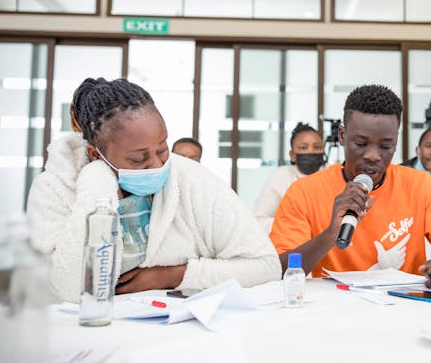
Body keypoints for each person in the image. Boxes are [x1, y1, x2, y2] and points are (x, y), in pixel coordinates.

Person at [27, 78, 281, 302]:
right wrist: (97, 188)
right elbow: (63, 290)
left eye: (162, 149)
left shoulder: (190, 178)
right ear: (96, 154)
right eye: (138, 159)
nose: (157, 165)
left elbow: (265, 265)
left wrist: (173, 276)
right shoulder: (54, 188)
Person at [270, 85, 431, 293]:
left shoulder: (421, 186)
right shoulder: (303, 191)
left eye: (385, 146)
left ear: (396, 142)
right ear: (342, 136)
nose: (373, 155)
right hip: (333, 310)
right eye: (361, 143)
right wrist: (330, 234)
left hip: (403, 308)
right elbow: (279, 270)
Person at [254, 123, 326, 232]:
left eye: (317, 147)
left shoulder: (332, 174)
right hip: (289, 242)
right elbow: (260, 221)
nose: (311, 151)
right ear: (292, 155)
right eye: (303, 147)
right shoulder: (281, 176)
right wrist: (295, 225)